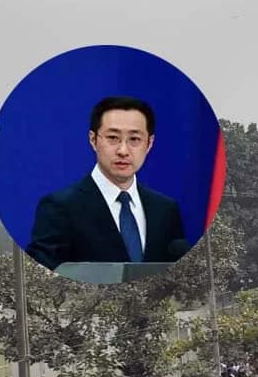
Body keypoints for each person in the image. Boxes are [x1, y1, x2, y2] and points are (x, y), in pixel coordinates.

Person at [27, 96, 188, 271]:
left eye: (134, 139)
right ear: (93, 140)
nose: (123, 151)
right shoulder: (60, 207)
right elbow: (41, 275)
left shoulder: (165, 209)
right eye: (113, 137)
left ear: (149, 143)